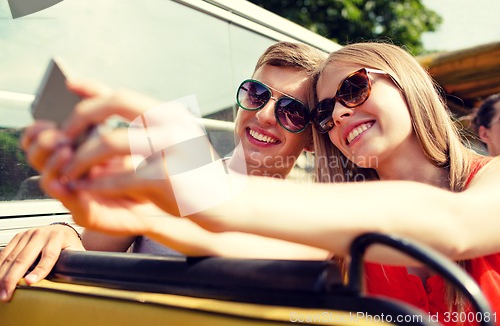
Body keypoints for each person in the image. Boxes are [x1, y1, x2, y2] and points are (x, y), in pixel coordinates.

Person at [29, 42, 500, 323]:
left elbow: (452, 225)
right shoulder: (332, 226)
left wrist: (208, 190)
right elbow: (219, 239)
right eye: (324, 109)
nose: (337, 112)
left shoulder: (490, 178)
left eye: (354, 89)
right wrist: (92, 225)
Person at [0, 41, 330, 302]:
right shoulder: (166, 173)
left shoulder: (313, 218)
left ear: (312, 140)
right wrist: (64, 233)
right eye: (256, 94)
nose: (265, 115)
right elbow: (91, 247)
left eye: (292, 111)